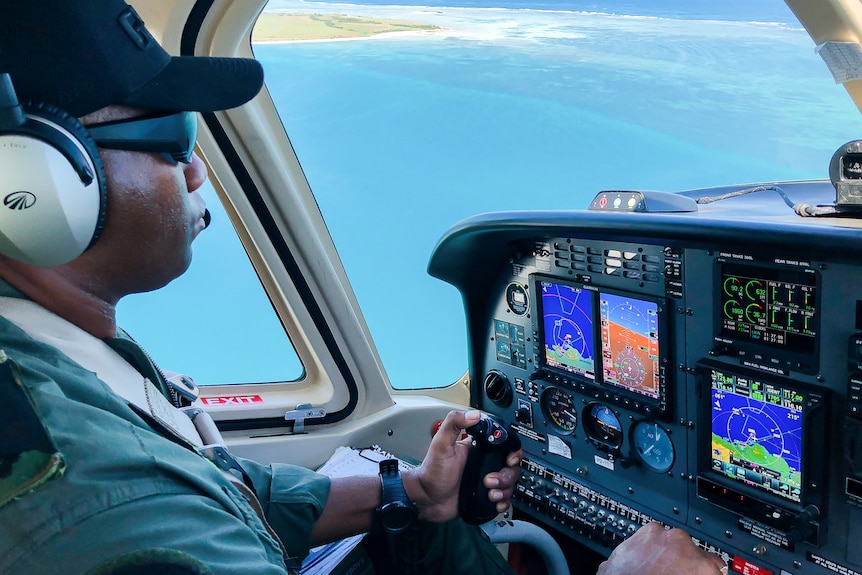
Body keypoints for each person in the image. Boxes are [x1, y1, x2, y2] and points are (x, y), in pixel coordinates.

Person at [0, 2, 728, 575]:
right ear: (33, 184)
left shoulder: (56, 353)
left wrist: (409, 491)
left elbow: (215, 489)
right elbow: (165, 508)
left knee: (439, 535)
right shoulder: (102, 511)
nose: (196, 172)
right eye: (175, 136)